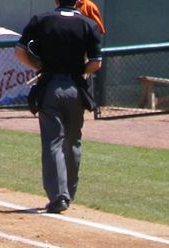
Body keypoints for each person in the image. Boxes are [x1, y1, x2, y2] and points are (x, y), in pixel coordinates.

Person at [15, 1, 102, 214]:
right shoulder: (88, 24)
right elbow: (96, 63)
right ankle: (68, 194)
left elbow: (19, 51)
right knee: (73, 142)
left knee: (53, 142)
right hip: (75, 89)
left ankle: (58, 196)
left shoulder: (41, 20)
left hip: (50, 87)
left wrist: (38, 66)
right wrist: (78, 70)